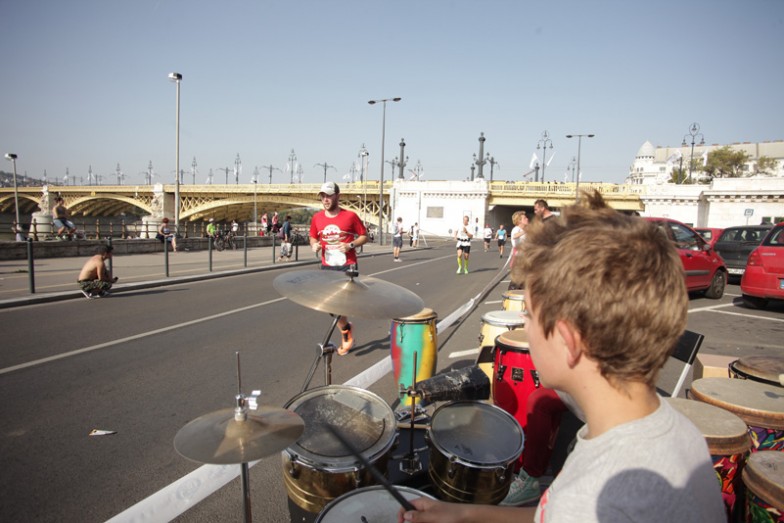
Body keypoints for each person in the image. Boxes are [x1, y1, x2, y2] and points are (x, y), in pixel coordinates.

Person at [399, 191, 724, 523]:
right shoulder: (677, 435)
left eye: (529, 315)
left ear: (568, 342)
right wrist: (465, 514)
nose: (524, 327)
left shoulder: (591, 498)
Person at [309, 181, 368, 355]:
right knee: (330, 306)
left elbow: (364, 236)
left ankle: (346, 334)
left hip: (347, 265)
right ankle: (346, 328)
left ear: (337, 196)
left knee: (341, 304)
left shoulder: (350, 216)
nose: (325, 199)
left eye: (329, 196)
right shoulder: (317, 218)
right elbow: (312, 237)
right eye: (323, 196)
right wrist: (314, 245)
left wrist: (351, 245)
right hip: (327, 266)